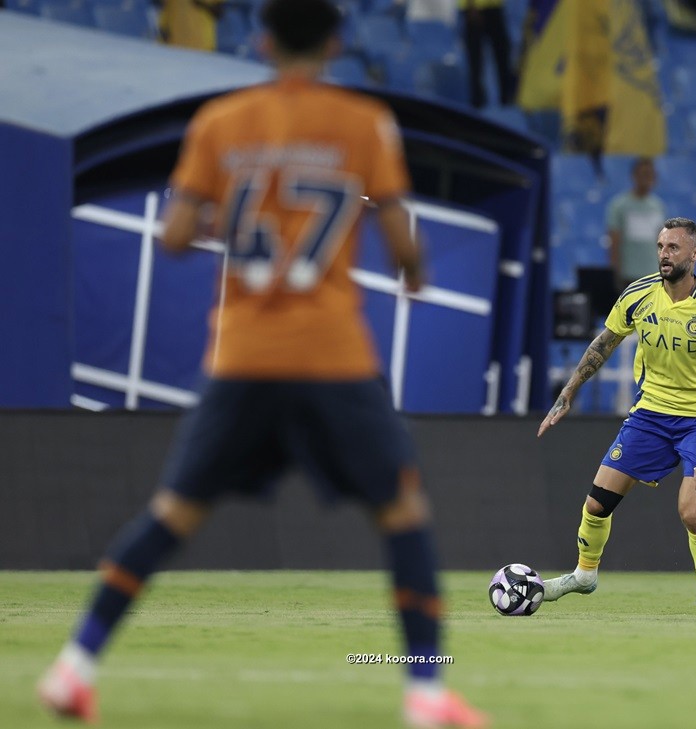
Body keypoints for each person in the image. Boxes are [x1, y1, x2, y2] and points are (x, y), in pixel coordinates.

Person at [37, 2, 488, 727]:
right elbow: (404, 246)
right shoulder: (363, 123)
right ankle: (426, 694)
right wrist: (410, 269)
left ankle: (73, 666)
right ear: (337, 42)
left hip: (243, 353)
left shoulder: (220, 122)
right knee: (402, 510)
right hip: (331, 356)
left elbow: (176, 235)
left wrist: (232, 217)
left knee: (172, 512)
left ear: (262, 39)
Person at [538, 217, 696, 619]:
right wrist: (567, 393)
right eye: (661, 247)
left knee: (692, 511)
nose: (664, 254)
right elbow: (603, 344)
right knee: (596, 504)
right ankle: (584, 575)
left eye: (674, 248)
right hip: (649, 415)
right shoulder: (639, 294)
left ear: (695, 254)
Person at [606, 157, 666, 292]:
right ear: (634, 176)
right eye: (643, 174)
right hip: (628, 276)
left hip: (653, 275)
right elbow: (614, 241)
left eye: (650, 175)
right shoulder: (619, 206)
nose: (647, 179)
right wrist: (615, 272)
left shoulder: (658, 206)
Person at [459, 0, 515, 108]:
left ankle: (507, 101)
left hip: (494, 7)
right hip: (474, 9)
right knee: (476, 62)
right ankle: (477, 105)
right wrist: (471, 6)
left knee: (503, 56)